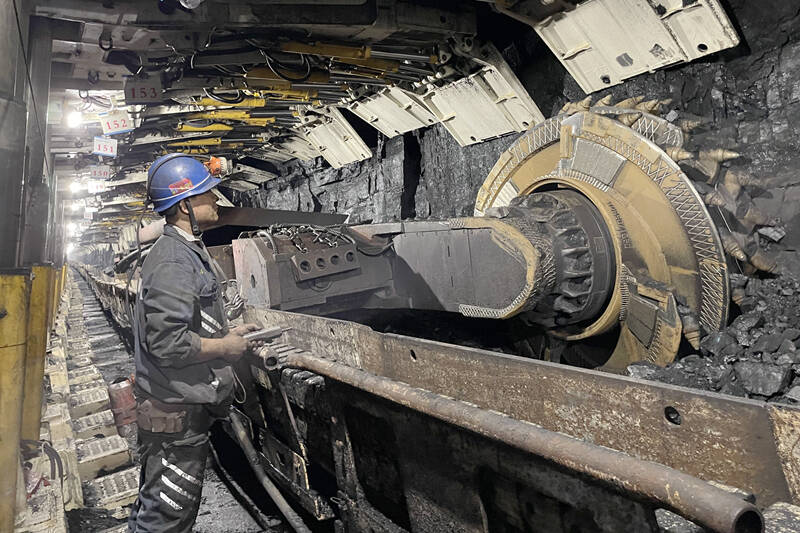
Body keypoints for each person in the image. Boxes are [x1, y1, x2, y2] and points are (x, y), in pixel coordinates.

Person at [128, 153, 260, 532]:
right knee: (166, 519)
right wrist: (225, 348)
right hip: (175, 420)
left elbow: (192, 320)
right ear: (185, 205)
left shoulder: (186, 250)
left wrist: (226, 331)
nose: (216, 199)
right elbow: (167, 343)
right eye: (207, 193)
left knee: (158, 510)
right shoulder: (173, 261)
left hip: (178, 411)